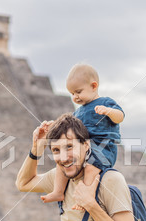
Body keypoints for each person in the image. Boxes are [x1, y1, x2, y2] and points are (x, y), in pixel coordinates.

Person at [40, 64, 124, 208]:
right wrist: (54, 125)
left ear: (93, 86)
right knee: (62, 162)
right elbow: (68, 127)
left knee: (91, 166)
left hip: (103, 147)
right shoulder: (78, 112)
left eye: (78, 92)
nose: (75, 97)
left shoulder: (105, 102)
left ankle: (87, 195)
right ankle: (58, 191)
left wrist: (108, 111)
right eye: (72, 93)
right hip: (84, 148)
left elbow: (120, 116)